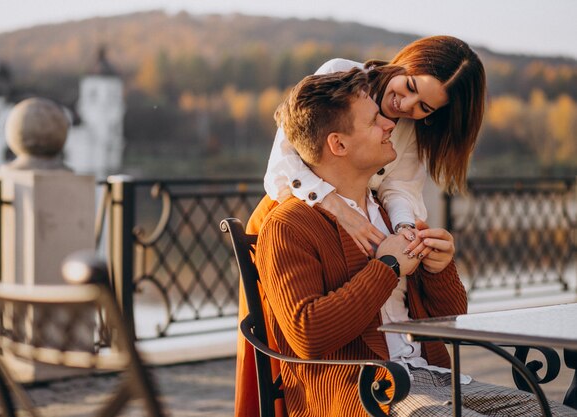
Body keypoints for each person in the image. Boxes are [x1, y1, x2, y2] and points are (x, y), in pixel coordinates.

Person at [240, 69, 575, 416]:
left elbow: (449, 319)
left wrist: (439, 270)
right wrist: (387, 267)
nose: (390, 125)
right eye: (374, 121)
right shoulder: (289, 224)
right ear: (338, 144)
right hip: (363, 390)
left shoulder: (390, 215)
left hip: (436, 377)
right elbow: (308, 334)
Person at [265, 35, 486, 257]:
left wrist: (405, 233)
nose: (406, 105)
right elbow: (281, 164)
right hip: (295, 220)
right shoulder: (340, 75)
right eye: (410, 86)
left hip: (360, 234)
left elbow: (400, 188)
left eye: (424, 107)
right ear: (406, 61)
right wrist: (335, 207)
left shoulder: (413, 128)